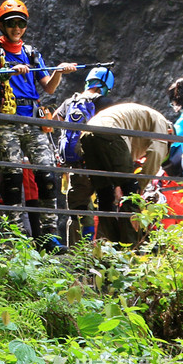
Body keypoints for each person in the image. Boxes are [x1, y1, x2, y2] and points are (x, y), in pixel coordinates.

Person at [0, 0, 77, 250]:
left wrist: (60, 71)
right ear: (2, 26)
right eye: (11, 24)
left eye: (21, 23)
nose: (16, 28)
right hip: (6, 119)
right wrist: (5, 72)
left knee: (47, 173)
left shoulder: (31, 53)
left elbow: (48, 87)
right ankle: (18, 237)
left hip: (33, 117)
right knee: (12, 177)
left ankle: (49, 236)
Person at [78, 102, 172, 245]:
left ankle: (113, 244)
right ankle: (130, 248)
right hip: (110, 131)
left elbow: (121, 157)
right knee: (131, 194)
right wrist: (139, 187)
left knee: (105, 195)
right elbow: (156, 153)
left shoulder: (144, 121)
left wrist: (117, 184)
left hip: (87, 134)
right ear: (170, 132)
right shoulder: (162, 124)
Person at [52, 67, 115, 244]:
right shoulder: (104, 102)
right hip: (97, 164)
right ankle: (101, 249)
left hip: (75, 166)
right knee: (105, 206)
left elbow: (53, 120)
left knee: (78, 209)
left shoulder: (70, 101)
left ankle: (76, 251)